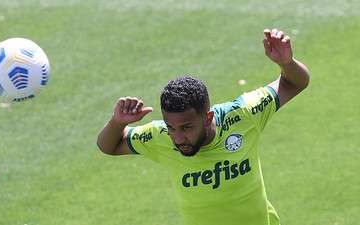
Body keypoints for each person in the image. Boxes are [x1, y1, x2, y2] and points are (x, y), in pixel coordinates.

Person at [97, 28, 310, 225]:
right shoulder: (159, 136)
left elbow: (295, 83)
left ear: (207, 117)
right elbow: (110, 145)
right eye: (171, 127)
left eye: (187, 127)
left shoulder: (245, 113)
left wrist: (287, 63)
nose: (178, 138)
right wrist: (117, 122)